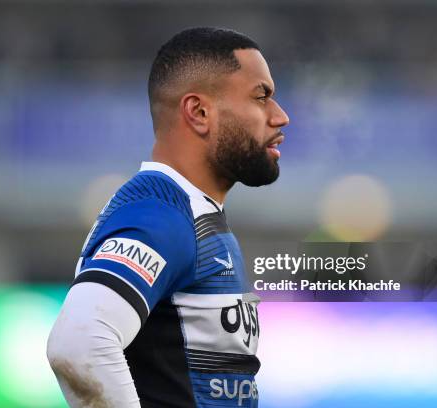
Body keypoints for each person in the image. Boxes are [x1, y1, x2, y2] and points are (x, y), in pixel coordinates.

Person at [47, 27, 289, 408]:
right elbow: (78, 344)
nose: (280, 117)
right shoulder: (159, 213)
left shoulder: (194, 212)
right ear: (199, 112)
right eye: (261, 97)